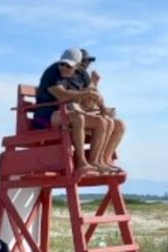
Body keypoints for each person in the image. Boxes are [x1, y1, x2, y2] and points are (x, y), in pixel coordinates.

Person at [33, 48, 113, 177]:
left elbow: (91, 96)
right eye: (62, 64)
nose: (64, 68)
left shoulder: (81, 74)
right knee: (78, 118)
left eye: (68, 66)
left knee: (103, 122)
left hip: (68, 113)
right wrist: (87, 93)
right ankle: (81, 162)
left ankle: (96, 161)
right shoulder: (52, 72)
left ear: (77, 65)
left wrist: (102, 106)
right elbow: (62, 96)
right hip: (46, 115)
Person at [73, 49, 125, 172]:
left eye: (88, 61)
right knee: (104, 121)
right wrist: (94, 84)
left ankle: (105, 160)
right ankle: (94, 161)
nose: (87, 64)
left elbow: (94, 101)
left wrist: (104, 109)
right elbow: (81, 103)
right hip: (76, 115)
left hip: (86, 114)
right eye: (85, 61)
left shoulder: (84, 77)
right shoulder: (71, 77)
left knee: (120, 125)